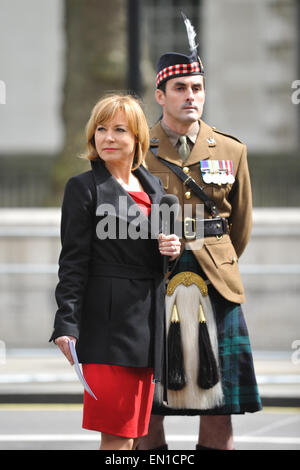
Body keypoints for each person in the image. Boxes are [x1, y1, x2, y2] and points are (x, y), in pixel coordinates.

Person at [137, 16, 262, 451]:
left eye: (197, 88)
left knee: (220, 406)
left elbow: (240, 227)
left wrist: (213, 255)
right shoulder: (136, 150)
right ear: (160, 94)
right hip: (151, 281)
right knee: (148, 406)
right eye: (180, 88)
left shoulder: (231, 149)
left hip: (216, 280)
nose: (191, 96)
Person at [49, 94, 181, 451]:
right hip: (106, 328)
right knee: (117, 435)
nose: (107, 137)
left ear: (137, 137)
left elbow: (163, 263)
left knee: (136, 434)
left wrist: (171, 251)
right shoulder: (84, 188)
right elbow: (72, 262)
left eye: (119, 129)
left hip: (147, 324)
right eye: (101, 129)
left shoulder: (155, 189)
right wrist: (67, 323)